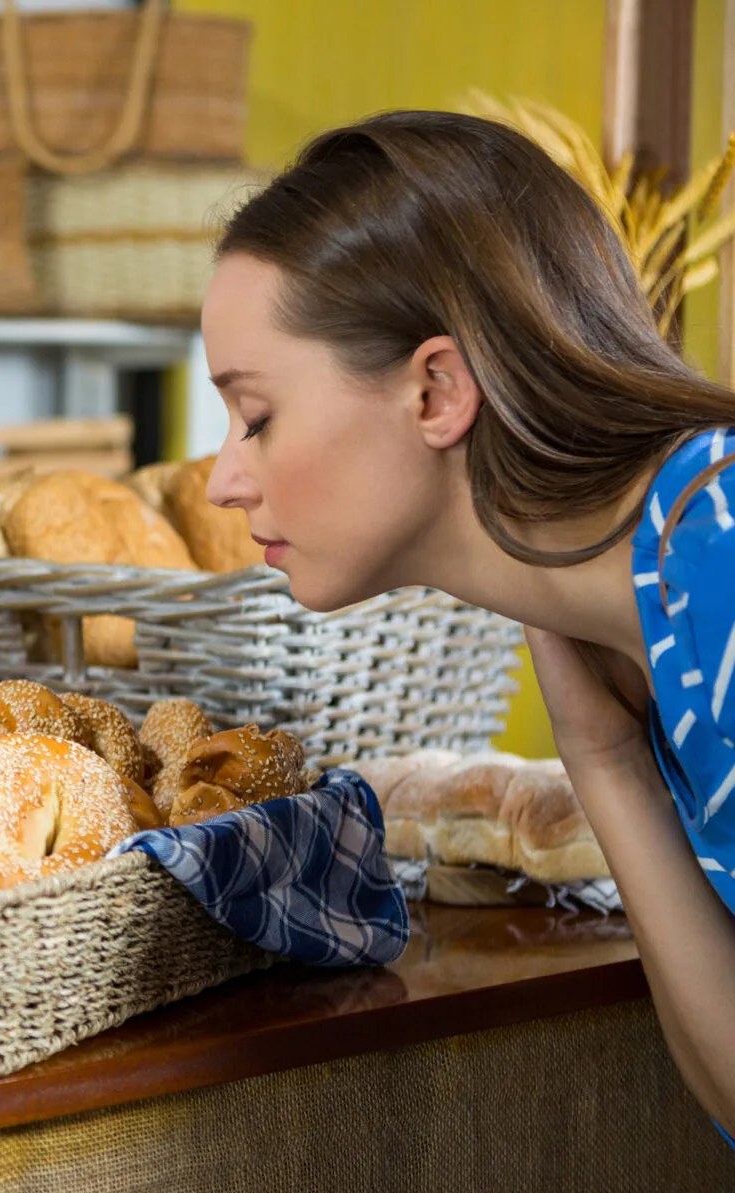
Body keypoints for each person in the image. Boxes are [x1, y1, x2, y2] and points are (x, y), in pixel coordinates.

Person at [200, 110, 735, 1135]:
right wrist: (605, 757)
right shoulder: (631, 623)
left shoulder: (722, 549)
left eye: (257, 416)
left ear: (436, 388)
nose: (226, 477)